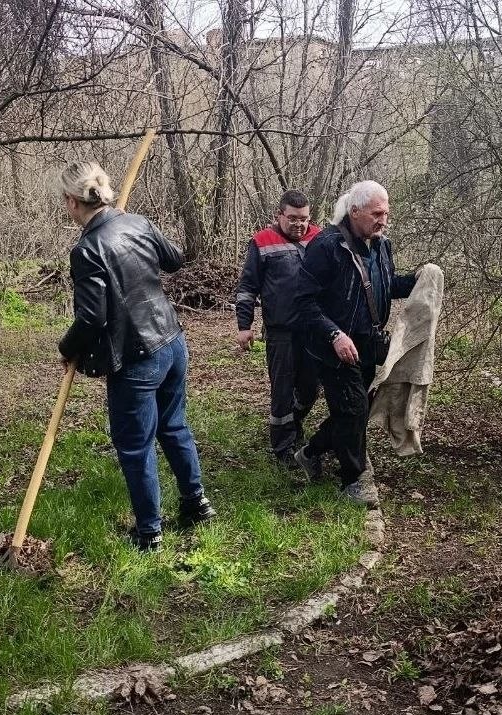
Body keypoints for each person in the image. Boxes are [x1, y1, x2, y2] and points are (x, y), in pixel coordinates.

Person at [57, 160, 214, 552]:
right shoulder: (137, 223)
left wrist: (66, 347)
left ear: (71, 201)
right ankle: (197, 505)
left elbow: (92, 317)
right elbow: (175, 258)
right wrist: (139, 230)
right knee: (174, 426)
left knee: (135, 444)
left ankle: (149, 533)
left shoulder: (87, 249)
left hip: (138, 357)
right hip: (173, 343)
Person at [293, 180, 417, 505]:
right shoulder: (326, 246)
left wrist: (420, 281)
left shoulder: (380, 245)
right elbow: (303, 301)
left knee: (356, 409)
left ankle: (311, 452)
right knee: (353, 407)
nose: (383, 220)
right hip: (333, 348)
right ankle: (352, 482)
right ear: (355, 211)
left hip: (366, 344)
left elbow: (385, 285)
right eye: (377, 213)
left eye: (386, 213)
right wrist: (334, 334)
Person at [234, 190, 321, 466]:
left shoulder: (320, 239)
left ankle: (293, 424)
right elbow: (248, 287)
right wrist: (244, 325)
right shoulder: (262, 242)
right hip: (280, 330)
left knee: (310, 388)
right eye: (293, 218)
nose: (299, 224)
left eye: (304, 219)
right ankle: (282, 447)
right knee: (282, 389)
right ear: (279, 216)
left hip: (314, 329)